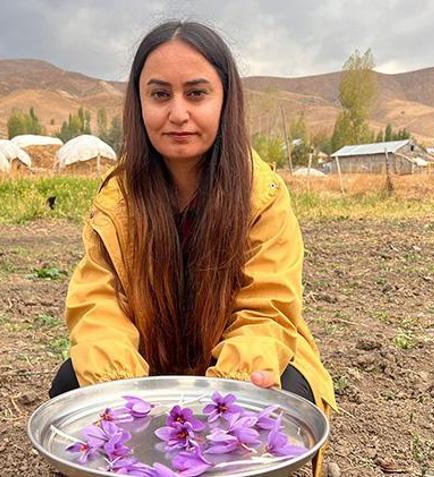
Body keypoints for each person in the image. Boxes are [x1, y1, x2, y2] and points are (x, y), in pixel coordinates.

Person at [48, 20, 337, 475]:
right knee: (71, 385)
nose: (178, 113)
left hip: (240, 364)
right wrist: (119, 389)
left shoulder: (262, 196)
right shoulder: (116, 199)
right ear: (138, 103)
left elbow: (267, 308)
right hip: (151, 370)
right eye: (160, 94)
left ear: (226, 100)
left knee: (287, 394)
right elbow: (97, 304)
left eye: (197, 94)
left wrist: (233, 396)